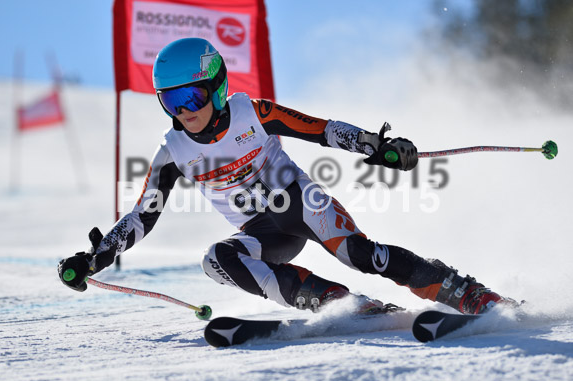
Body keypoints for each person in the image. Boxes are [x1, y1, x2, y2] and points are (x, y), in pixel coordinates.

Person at [58, 37, 514, 315]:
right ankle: (337, 304)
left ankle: (464, 292)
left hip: (298, 202)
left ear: (216, 86)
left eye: (193, 98)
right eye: (172, 103)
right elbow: (143, 214)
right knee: (217, 260)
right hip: (262, 231)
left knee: (359, 254)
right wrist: (97, 257)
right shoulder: (171, 152)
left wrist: (378, 147)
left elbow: (321, 130)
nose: (186, 113)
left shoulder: (250, 112)